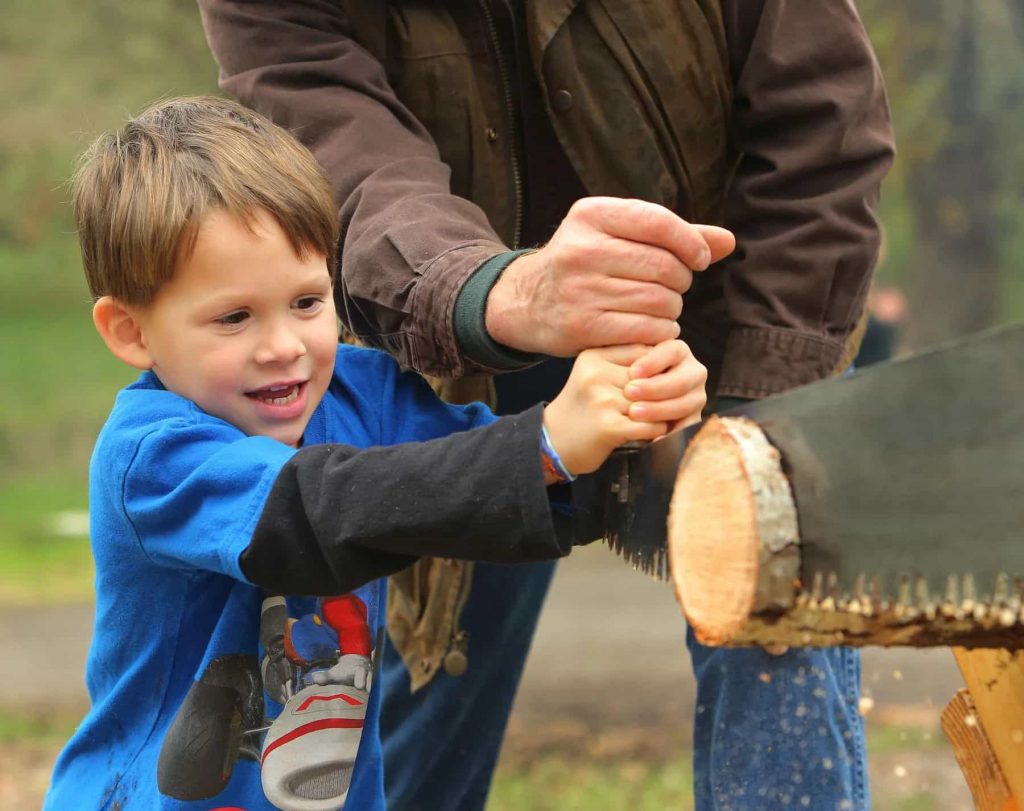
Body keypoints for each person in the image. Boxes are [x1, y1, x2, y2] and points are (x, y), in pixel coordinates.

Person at [199, 1, 896, 808]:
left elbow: (822, 122)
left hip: (726, 324)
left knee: (769, 597)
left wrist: (765, 395)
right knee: (433, 673)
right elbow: (345, 165)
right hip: (459, 348)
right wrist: (499, 295)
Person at [43, 96, 711, 810]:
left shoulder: (366, 395)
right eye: (234, 317)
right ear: (131, 331)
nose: (283, 347)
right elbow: (314, 515)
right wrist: (545, 439)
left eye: (306, 302)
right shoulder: (152, 454)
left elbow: (489, 488)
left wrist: (631, 430)